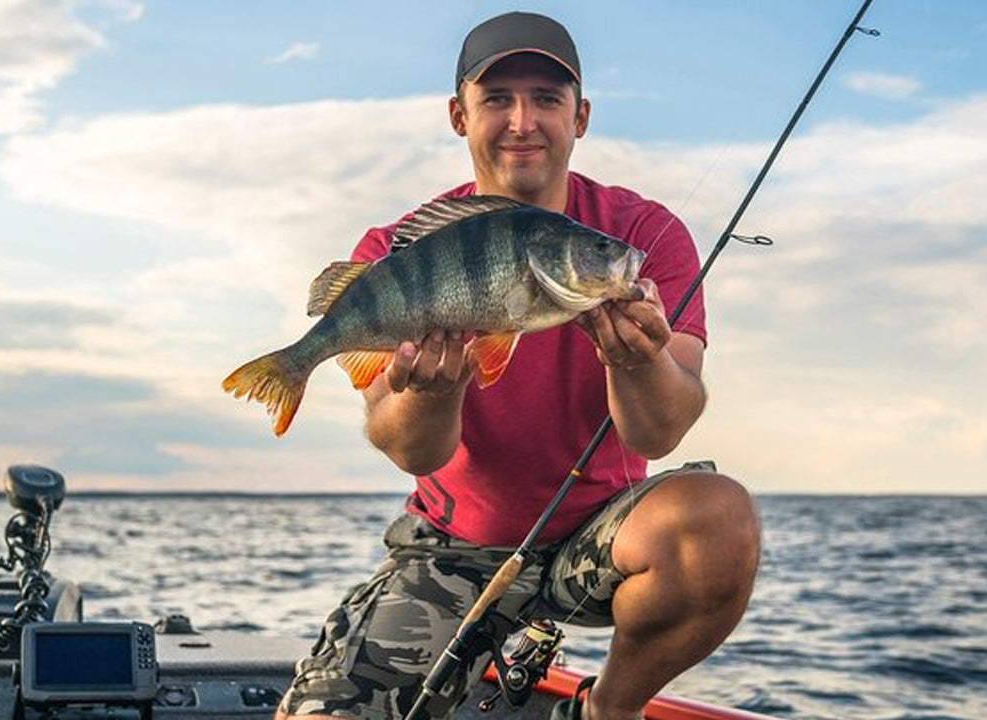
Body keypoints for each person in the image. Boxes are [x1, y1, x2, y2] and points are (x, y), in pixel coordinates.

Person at [276, 12, 760, 720]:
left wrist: (637, 361)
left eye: (547, 99)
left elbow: (660, 434)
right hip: (453, 547)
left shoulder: (644, 235)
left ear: (580, 117)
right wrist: (432, 394)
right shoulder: (395, 250)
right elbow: (408, 448)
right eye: (497, 99)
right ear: (459, 116)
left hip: (603, 535)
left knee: (719, 519)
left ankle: (608, 710)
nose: (522, 122)